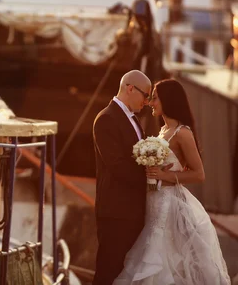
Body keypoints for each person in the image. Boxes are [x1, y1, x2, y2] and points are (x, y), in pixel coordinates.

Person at [114, 78, 230, 284]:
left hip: (168, 204)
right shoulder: (162, 131)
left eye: (155, 98)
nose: (150, 102)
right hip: (153, 202)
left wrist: (164, 176)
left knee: (164, 257)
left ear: (168, 100)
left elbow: (199, 174)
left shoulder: (182, 133)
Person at [92, 70, 152, 284]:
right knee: (108, 272)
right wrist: (152, 179)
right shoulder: (106, 119)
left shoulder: (134, 120)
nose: (147, 102)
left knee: (126, 274)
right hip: (116, 213)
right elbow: (117, 166)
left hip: (133, 211)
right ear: (130, 88)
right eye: (145, 95)